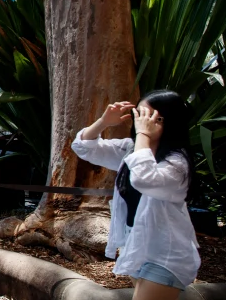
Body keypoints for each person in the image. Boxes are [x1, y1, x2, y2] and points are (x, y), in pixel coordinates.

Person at [71, 90, 200, 300]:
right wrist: (103, 122)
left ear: (167, 120)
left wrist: (143, 136)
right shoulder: (131, 150)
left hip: (165, 254)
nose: (141, 122)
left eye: (148, 117)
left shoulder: (177, 164)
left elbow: (144, 178)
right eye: (138, 115)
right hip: (136, 245)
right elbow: (83, 147)